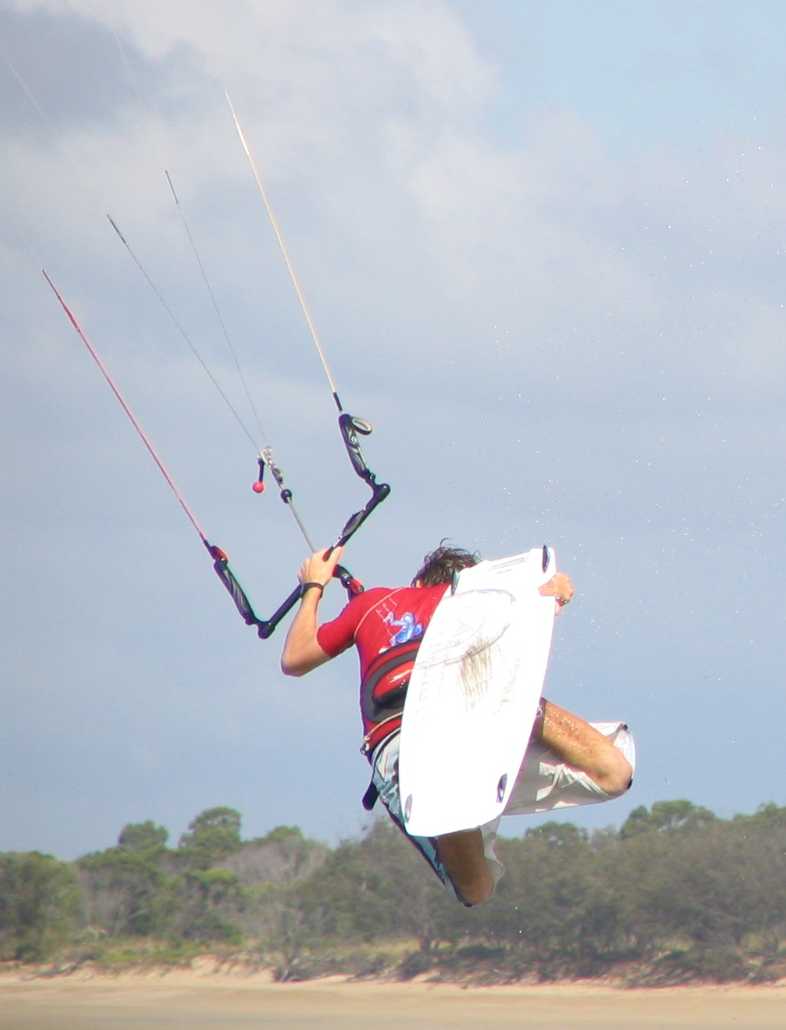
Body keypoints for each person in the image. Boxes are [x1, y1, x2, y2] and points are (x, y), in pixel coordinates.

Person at [281, 543, 634, 907]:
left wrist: (315, 585)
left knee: (476, 891)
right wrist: (553, 597)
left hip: (407, 750)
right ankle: (525, 715)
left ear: (418, 582)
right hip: (482, 722)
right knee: (615, 773)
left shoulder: (371, 603)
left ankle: (452, 798)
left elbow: (295, 658)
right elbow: (551, 592)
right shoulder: (491, 602)